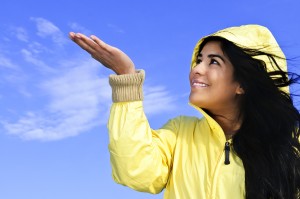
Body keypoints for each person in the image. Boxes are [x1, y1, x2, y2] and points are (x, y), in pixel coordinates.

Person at [69, 24, 300, 199]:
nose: (196, 69)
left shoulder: (290, 145)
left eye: (214, 62)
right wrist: (126, 77)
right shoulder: (180, 133)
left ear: (242, 84)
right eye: (199, 60)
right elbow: (135, 172)